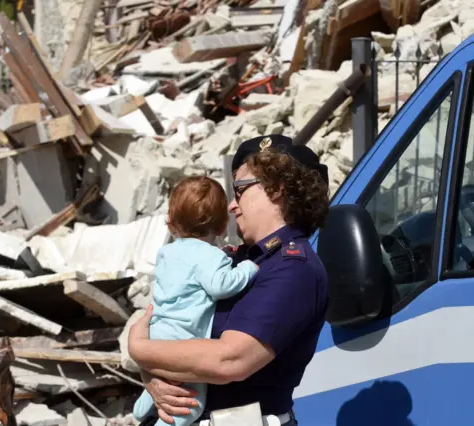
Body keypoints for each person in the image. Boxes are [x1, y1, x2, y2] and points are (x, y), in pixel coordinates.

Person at [129, 134, 330, 426]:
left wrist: (139, 349)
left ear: (276, 189)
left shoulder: (293, 269)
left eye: (240, 190)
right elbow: (170, 326)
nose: (232, 206)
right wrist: (153, 378)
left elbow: (230, 360)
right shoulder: (239, 259)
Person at [133, 176, 260, 426]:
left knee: (163, 379)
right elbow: (220, 286)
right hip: (184, 338)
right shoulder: (211, 256)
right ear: (224, 226)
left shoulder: (166, 252)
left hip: (158, 332)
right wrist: (246, 268)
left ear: (171, 223)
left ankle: (142, 407)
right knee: (190, 404)